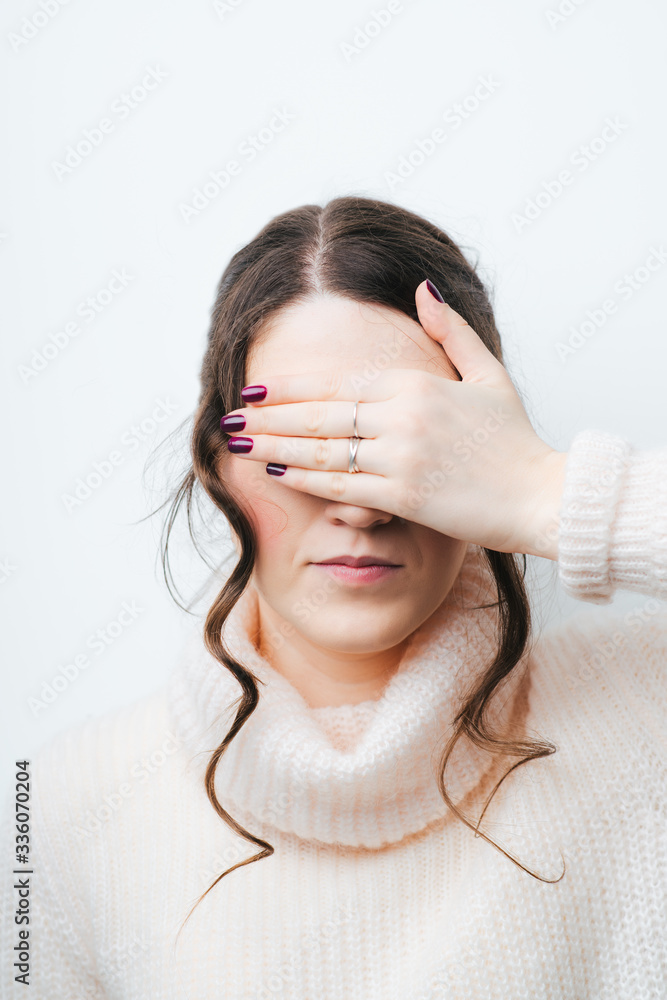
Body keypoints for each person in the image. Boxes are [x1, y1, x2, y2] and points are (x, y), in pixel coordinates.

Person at [2, 196, 666, 999]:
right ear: (220, 461)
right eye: (299, 443)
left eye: (404, 443)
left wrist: (545, 491)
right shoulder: (58, 812)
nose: (360, 506)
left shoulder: (644, 711)